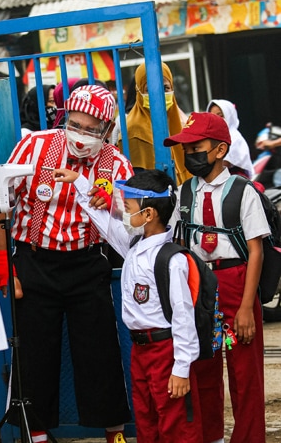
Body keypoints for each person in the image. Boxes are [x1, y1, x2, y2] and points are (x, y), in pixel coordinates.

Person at [0, 85, 132, 443]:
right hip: (35, 263)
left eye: (91, 129)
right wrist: (1, 263)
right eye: (74, 124)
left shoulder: (117, 165)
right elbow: (1, 204)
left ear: (108, 129)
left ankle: (114, 435)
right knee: (34, 355)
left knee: (100, 354)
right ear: (63, 118)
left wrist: (114, 202)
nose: (81, 135)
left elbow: (132, 223)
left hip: (87, 266)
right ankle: (36, 435)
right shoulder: (33, 147)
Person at [52, 168, 203, 442]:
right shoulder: (134, 246)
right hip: (140, 350)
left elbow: (184, 317)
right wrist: (80, 183)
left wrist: (181, 369)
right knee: (146, 419)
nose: (122, 212)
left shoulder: (171, 260)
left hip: (165, 351)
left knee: (174, 422)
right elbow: (105, 224)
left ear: (148, 215)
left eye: (128, 207)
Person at [165, 111, 269, 443]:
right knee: (205, 367)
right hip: (201, 290)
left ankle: (249, 438)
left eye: (197, 147)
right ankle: (211, 437)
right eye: (186, 148)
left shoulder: (243, 191)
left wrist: (244, 309)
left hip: (236, 283)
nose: (189, 154)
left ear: (221, 150)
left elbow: (256, 251)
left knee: (244, 373)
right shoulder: (183, 193)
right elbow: (179, 244)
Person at [120, 62, 191, 185]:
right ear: (139, 92)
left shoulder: (180, 122)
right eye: (150, 89)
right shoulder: (132, 129)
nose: (158, 95)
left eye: (165, 88)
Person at [206, 99, 254, 178]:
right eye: (212, 116)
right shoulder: (212, 138)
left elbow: (224, 164)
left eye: (220, 115)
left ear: (229, 116)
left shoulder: (234, 137)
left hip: (234, 182)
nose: (216, 119)